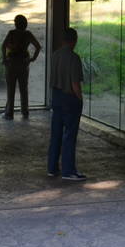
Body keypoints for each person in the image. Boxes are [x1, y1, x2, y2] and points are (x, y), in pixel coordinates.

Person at [45, 27, 86, 181]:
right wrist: (80, 99)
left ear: (63, 40)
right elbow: (75, 83)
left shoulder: (55, 56)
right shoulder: (74, 58)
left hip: (56, 97)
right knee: (69, 136)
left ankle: (52, 168)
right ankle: (68, 171)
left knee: (55, 134)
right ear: (74, 41)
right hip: (70, 99)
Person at [0, 14, 42, 120]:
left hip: (11, 64)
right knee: (23, 89)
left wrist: (4, 59)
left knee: (11, 89)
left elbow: (3, 46)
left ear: (16, 23)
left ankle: (9, 113)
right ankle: (25, 111)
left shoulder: (12, 33)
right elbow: (38, 46)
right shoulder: (28, 34)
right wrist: (32, 59)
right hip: (23, 64)